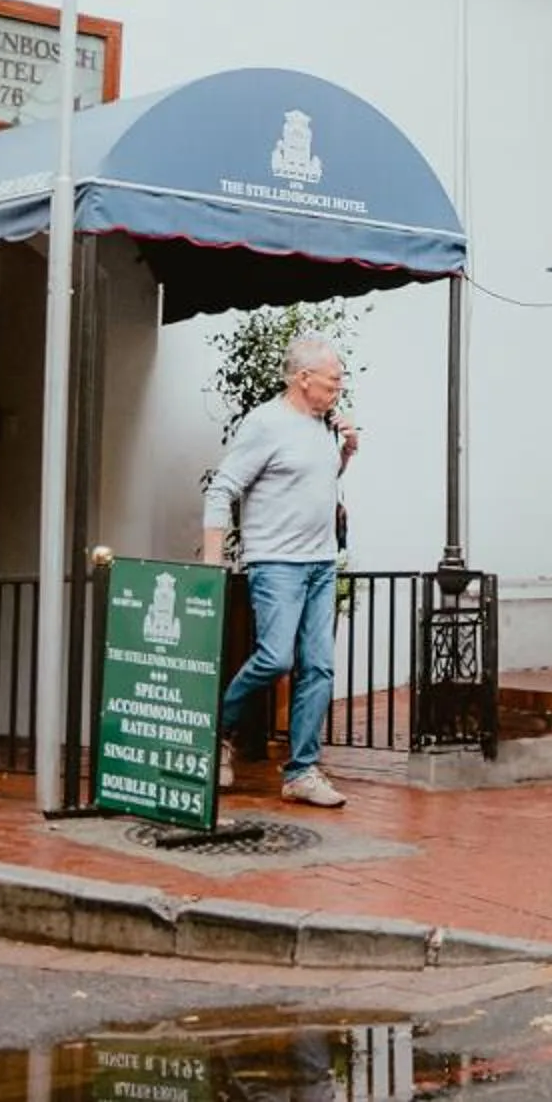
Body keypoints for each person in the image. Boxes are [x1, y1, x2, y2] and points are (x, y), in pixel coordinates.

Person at [202, 333, 360, 809]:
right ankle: (215, 733)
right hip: (276, 563)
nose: (338, 387)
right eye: (333, 380)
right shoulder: (265, 423)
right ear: (303, 378)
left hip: (320, 563)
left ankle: (302, 772)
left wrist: (346, 451)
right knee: (275, 659)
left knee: (320, 667)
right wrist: (213, 564)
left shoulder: (323, 425)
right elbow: (221, 489)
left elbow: (315, 481)